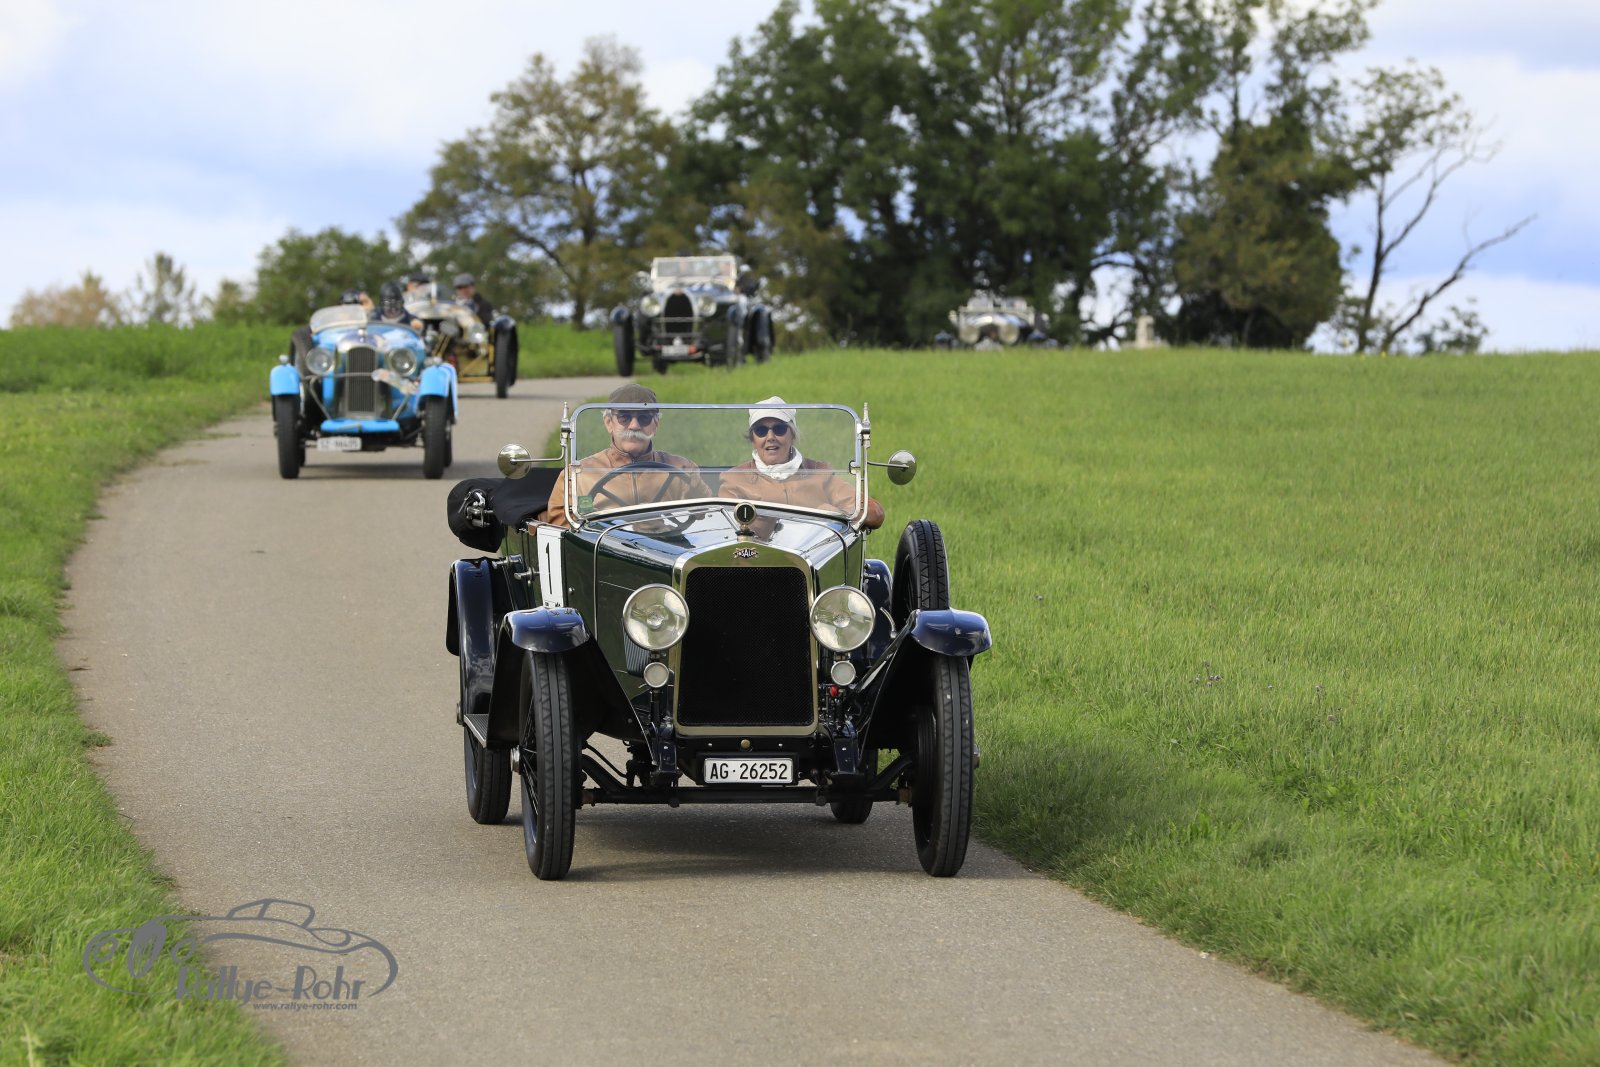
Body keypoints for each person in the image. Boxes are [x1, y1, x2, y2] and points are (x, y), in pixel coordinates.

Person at [542, 383, 711, 528]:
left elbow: (709, 517)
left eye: (644, 418)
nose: (634, 425)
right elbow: (562, 528)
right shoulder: (578, 475)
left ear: (655, 425)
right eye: (624, 417)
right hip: (605, 552)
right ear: (609, 423)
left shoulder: (682, 468)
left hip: (669, 548)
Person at [718, 396, 884, 529]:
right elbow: (725, 528)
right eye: (761, 431)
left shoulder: (819, 473)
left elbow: (874, 512)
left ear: (792, 435)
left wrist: (835, 514)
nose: (770, 437)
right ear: (753, 439)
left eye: (779, 429)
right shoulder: (735, 479)